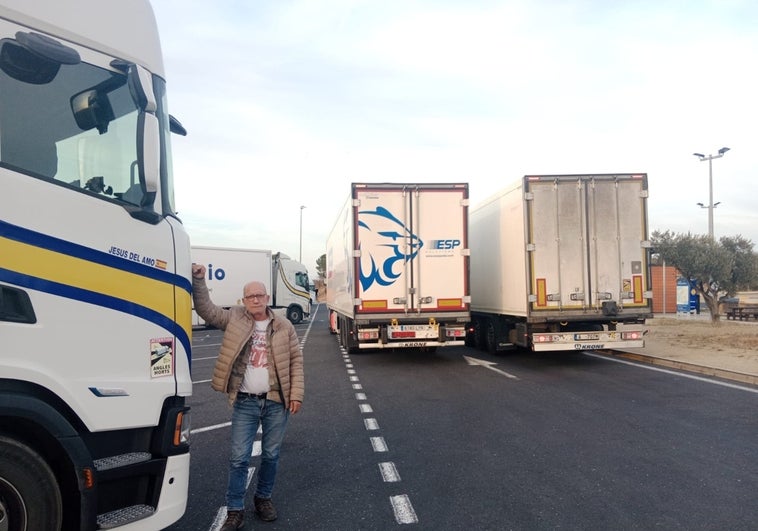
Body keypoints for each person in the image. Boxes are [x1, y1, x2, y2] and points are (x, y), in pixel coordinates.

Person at [191, 264, 304, 530]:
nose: (256, 299)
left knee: (270, 455)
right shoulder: (235, 318)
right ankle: (235, 509)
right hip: (245, 401)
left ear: (267, 298)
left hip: (277, 401)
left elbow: (296, 361)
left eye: (260, 295)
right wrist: (198, 281)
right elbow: (206, 309)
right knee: (239, 458)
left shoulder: (284, 325)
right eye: (250, 296)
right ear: (244, 300)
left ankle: (263, 499)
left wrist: (296, 394)